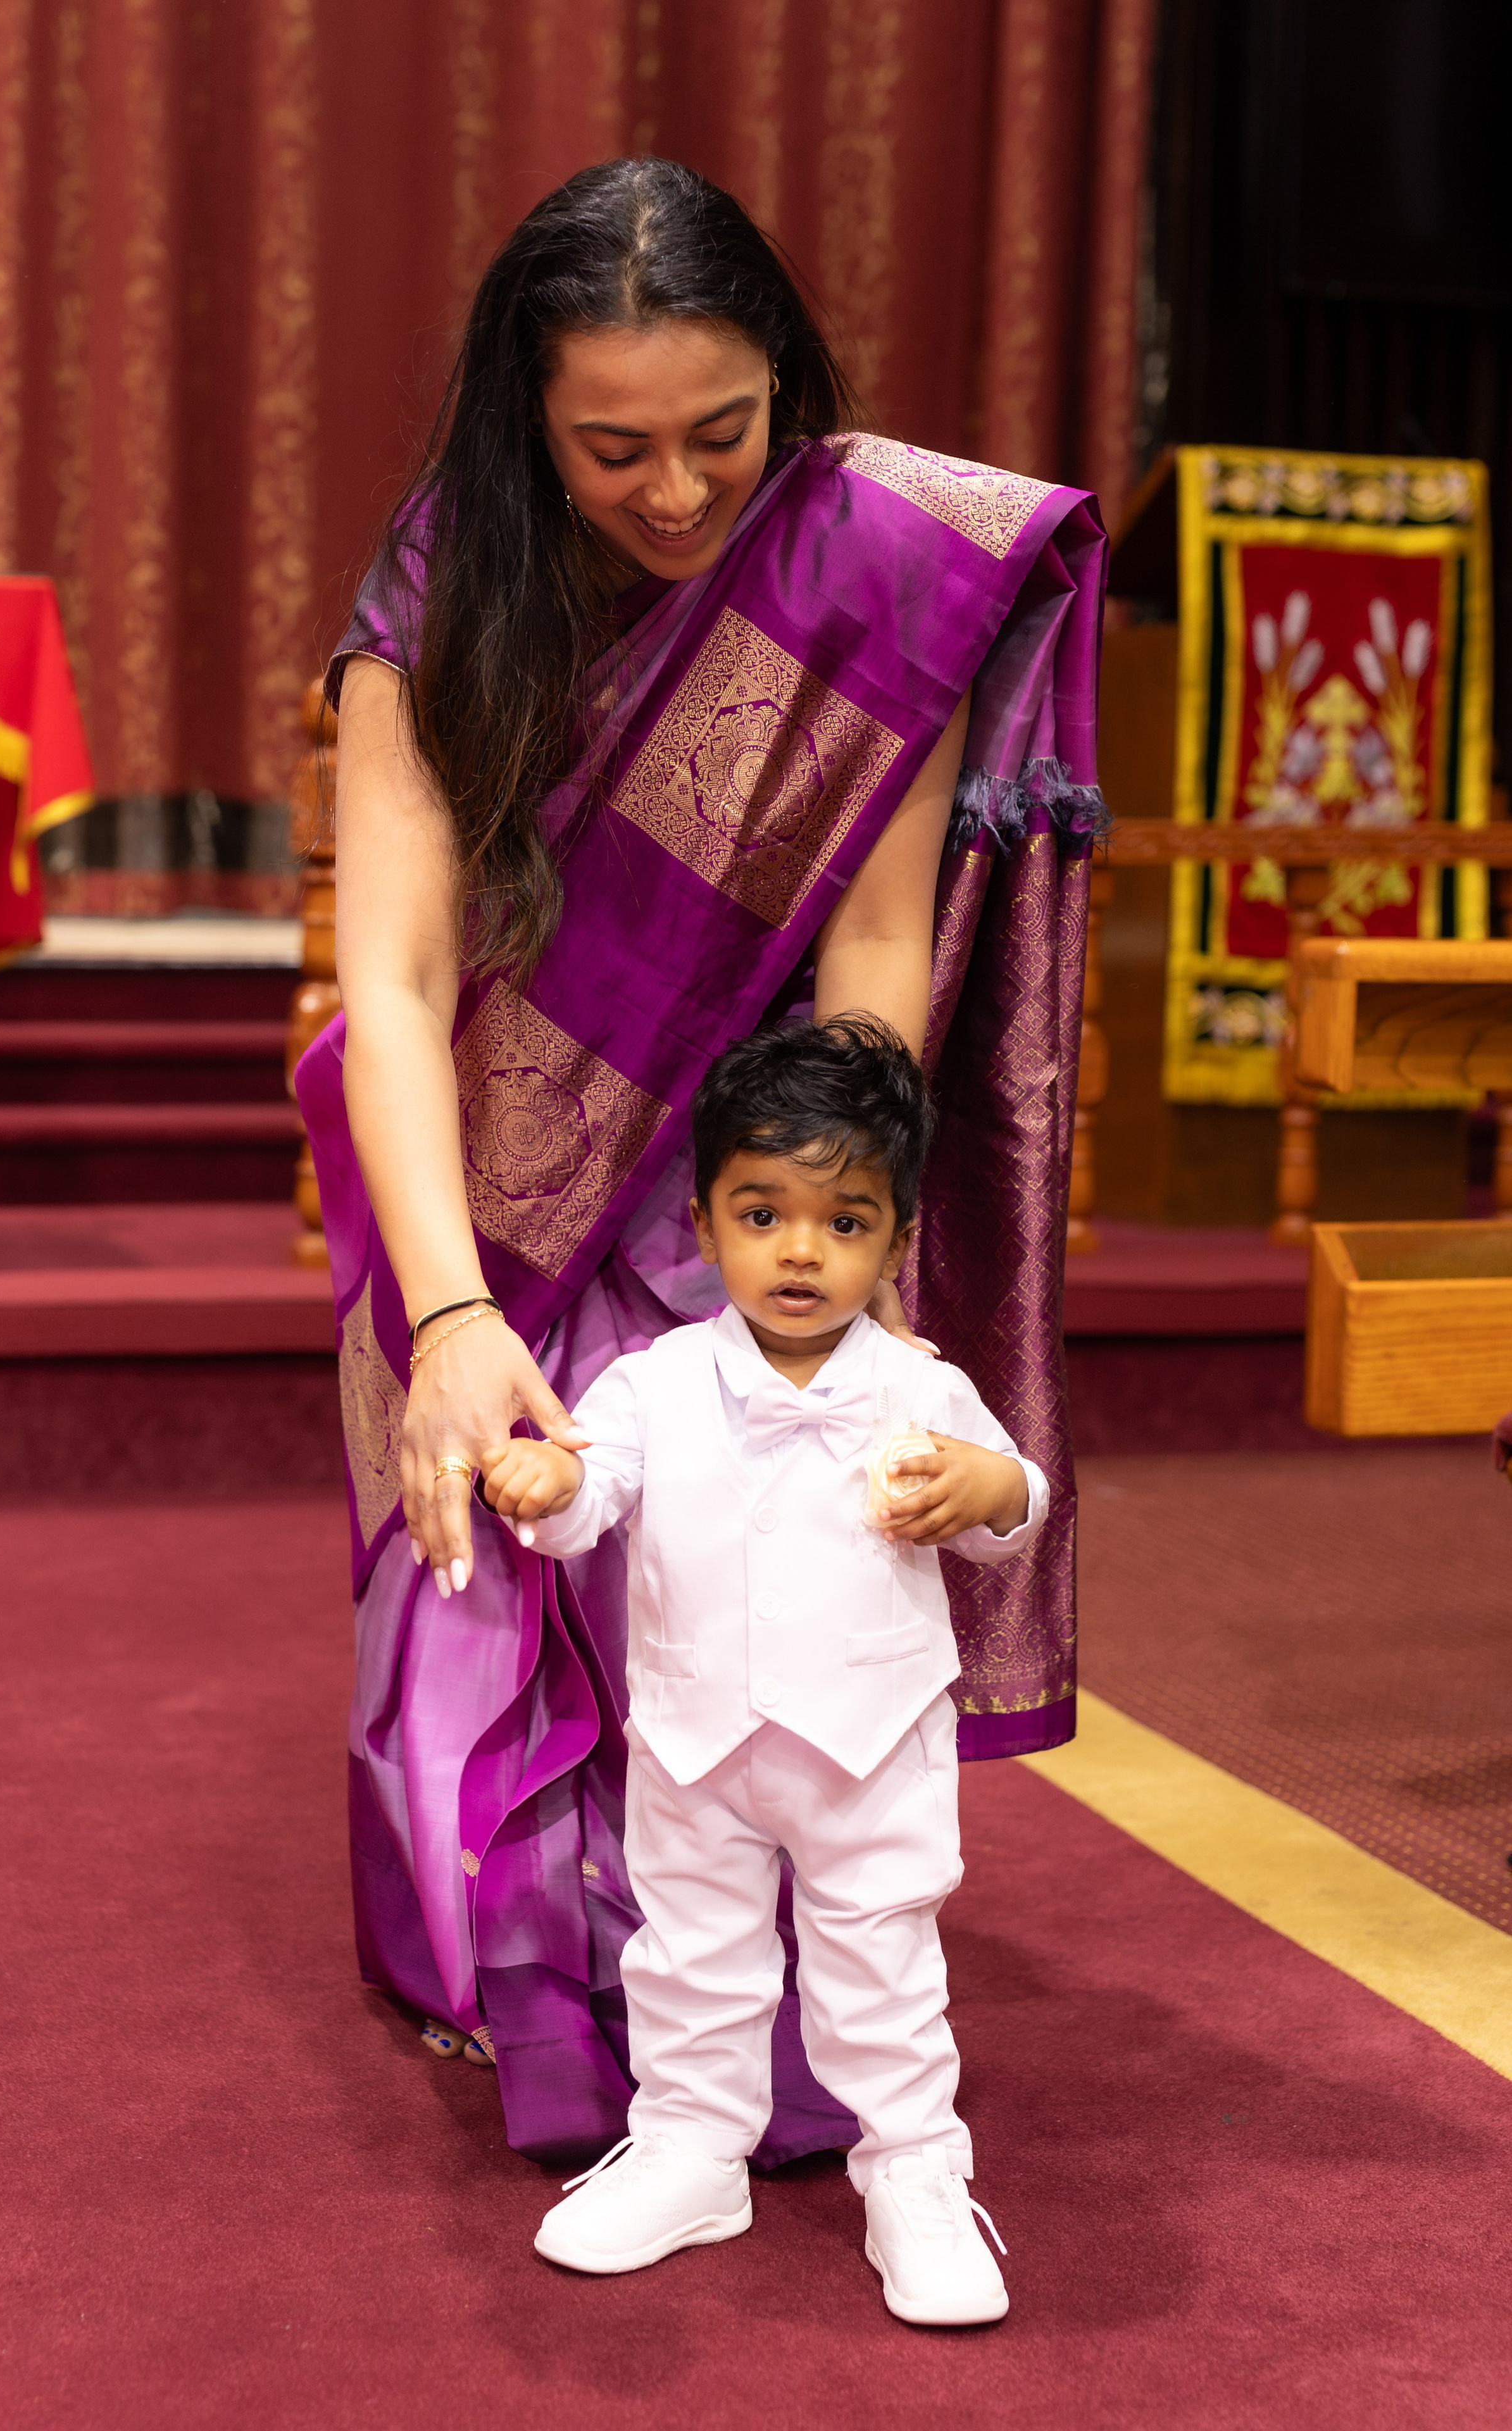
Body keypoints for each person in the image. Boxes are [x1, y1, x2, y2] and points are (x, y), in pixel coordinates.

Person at [294, 155, 1106, 2166]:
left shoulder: (869, 565)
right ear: (524, 423)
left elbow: (877, 949)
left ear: (787, 390)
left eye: (723, 436)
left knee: (725, 1587)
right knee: (491, 1561)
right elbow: (391, 977)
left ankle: (744, 2007)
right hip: (487, 1151)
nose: (676, 494)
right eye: (614, 449)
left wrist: (844, 1231)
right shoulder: (443, 577)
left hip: (744, 1177)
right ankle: (523, 1982)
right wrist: (456, 1304)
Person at [482, 1018, 1047, 2323]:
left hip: (869, 1741)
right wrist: (545, 1476)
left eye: (845, 1221)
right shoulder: (650, 1382)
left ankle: (912, 2164)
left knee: (880, 1963)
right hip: (697, 1738)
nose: (801, 1250)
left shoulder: (923, 1384)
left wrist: (982, 1482)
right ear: (702, 1221)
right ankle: (690, 2145)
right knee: (691, 1955)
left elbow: (1012, 1500)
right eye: (763, 1211)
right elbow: (585, 1495)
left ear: (896, 1240)